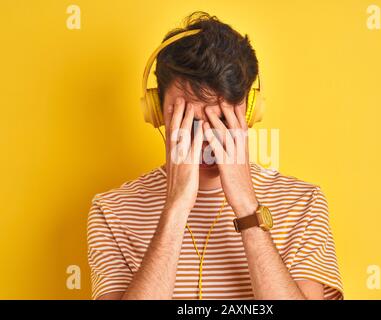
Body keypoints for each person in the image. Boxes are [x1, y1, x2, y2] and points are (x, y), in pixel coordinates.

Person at [87, 11, 343, 300]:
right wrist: (176, 207)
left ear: (250, 112)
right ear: (156, 112)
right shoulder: (111, 211)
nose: (208, 139)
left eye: (222, 120)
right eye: (190, 120)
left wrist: (247, 206)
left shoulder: (303, 203)